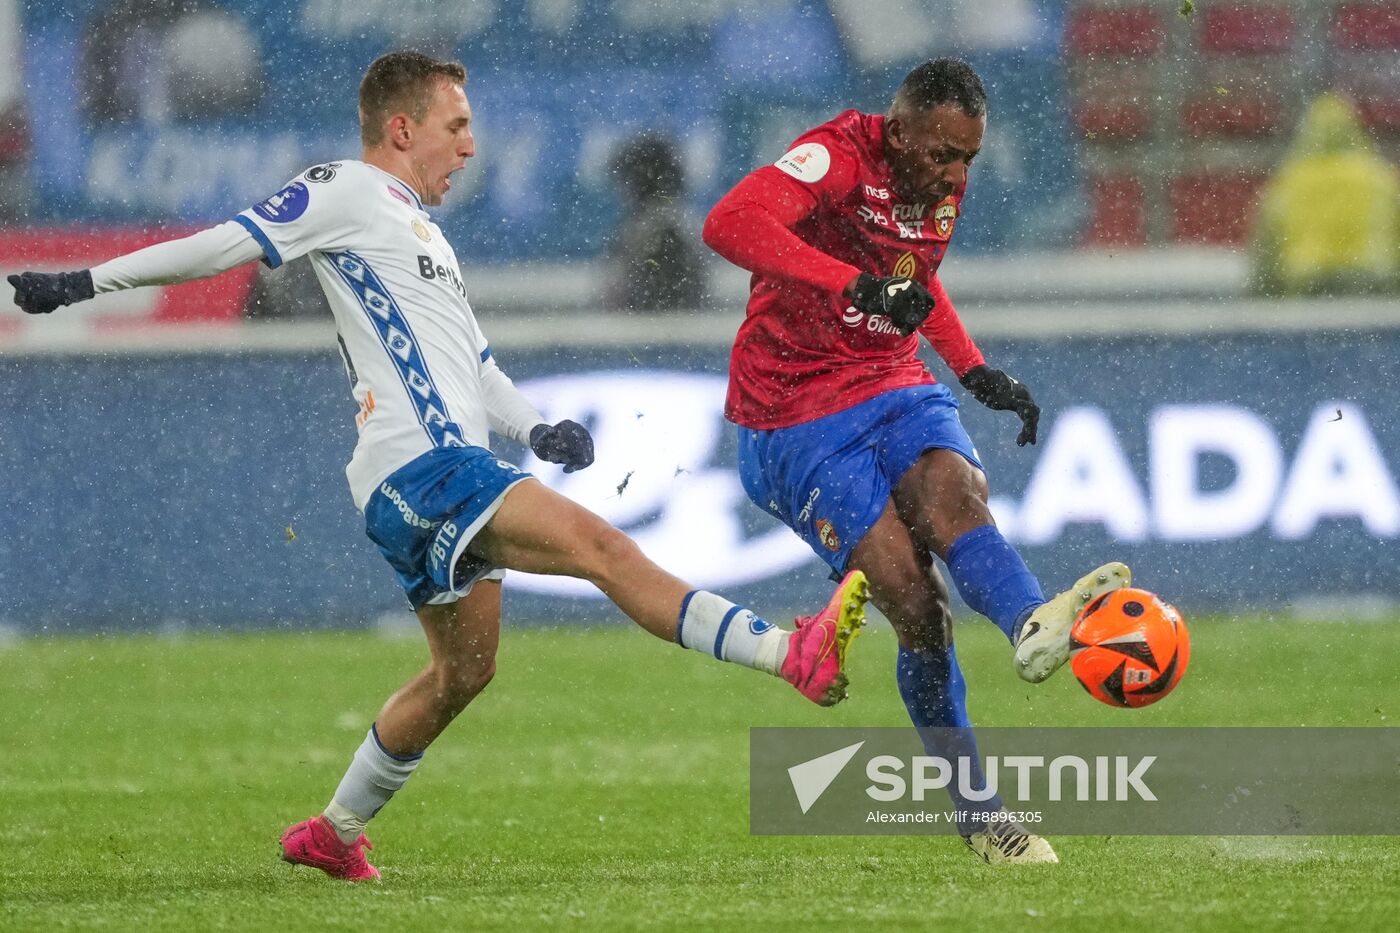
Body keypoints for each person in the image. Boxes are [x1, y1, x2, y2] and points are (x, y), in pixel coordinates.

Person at [6, 51, 870, 882]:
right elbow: (223, 244)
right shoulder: (344, 189)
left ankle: (332, 832)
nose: (469, 145)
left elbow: (475, 365)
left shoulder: (423, 236)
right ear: (399, 127)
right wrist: (85, 283)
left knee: (466, 670)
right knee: (604, 550)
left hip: (436, 470)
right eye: (455, 125)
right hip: (423, 468)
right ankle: (787, 653)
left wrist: (537, 430)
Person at [702, 58, 1130, 864]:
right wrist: (852, 284)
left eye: (969, 158)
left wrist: (972, 369)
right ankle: (979, 814)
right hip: (792, 414)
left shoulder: (940, 175)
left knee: (956, 493)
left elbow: (915, 282)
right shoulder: (834, 156)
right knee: (914, 603)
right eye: (942, 155)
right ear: (898, 132)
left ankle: (1030, 622)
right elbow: (727, 225)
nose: (955, 174)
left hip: (891, 378)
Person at [1249, 92, 1400, 298]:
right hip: (1371, 283)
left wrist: (1263, 297)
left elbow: (1267, 249)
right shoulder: (1380, 179)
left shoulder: (1290, 182)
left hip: (1309, 284)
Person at [603, 133, 706, 312]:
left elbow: (662, 299)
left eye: (625, 180)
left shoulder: (660, 231)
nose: (621, 191)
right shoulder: (678, 222)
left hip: (655, 330)